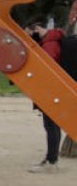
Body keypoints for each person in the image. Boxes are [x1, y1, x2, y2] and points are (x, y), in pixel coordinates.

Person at [26, 23, 65, 173]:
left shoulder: (49, 45)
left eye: (29, 34)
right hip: (53, 92)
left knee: (51, 126)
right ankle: (51, 159)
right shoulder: (50, 41)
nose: (29, 37)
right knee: (52, 126)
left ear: (36, 29)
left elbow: (47, 69)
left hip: (51, 92)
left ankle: (51, 161)